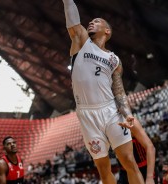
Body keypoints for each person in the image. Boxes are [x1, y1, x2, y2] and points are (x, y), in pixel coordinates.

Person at [61, 0, 145, 183]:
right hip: (87, 113)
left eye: (97, 21)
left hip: (111, 111)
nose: (91, 22)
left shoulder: (114, 59)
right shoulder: (81, 42)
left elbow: (119, 89)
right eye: (91, 21)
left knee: (129, 161)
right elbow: (73, 21)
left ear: (107, 31)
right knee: (102, 167)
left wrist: (128, 113)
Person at [118, 119, 157, 184]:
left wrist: (150, 177)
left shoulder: (131, 123)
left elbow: (151, 148)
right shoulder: (108, 127)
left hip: (143, 169)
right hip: (124, 171)